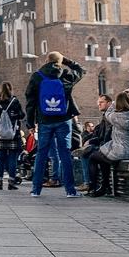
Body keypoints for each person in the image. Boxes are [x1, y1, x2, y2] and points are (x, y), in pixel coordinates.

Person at [25, 52, 84, 198]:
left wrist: (30, 123)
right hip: (63, 120)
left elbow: (30, 101)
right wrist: (67, 61)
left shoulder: (37, 76)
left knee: (42, 154)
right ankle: (70, 190)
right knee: (65, 153)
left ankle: (35, 190)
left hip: (44, 121)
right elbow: (81, 70)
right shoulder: (65, 74)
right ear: (61, 61)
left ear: (46, 60)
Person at [89, 88, 129, 197]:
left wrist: (115, 101)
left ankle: (95, 187)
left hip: (118, 152)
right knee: (102, 156)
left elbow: (108, 111)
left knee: (94, 157)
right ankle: (105, 186)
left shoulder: (114, 116)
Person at [0, 82, 25, 191]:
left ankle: (0, 182)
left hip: (1, 134)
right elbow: (21, 115)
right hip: (13, 134)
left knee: (1, 158)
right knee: (12, 159)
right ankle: (11, 182)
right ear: (11, 89)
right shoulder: (14, 101)